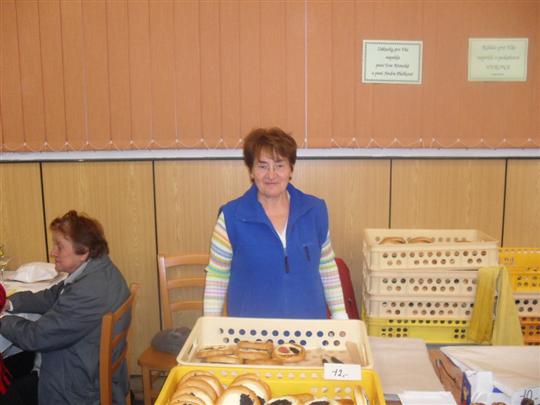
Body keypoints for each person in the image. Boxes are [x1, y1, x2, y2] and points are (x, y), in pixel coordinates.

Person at [203, 127, 348, 319]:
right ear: (251, 171)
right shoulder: (231, 217)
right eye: (262, 166)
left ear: (291, 170)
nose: (271, 175)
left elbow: (327, 266)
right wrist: (210, 325)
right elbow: (217, 277)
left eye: (279, 165)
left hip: (309, 329)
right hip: (251, 332)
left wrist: (340, 316)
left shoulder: (314, 211)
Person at [0, 210, 130, 405]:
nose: (53, 252)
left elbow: (36, 337)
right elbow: (51, 296)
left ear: (84, 252)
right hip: (86, 366)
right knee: (13, 361)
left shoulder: (88, 291)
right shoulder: (98, 269)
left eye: (59, 246)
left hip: (77, 388)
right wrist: (9, 303)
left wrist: (2, 320)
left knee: (7, 387)